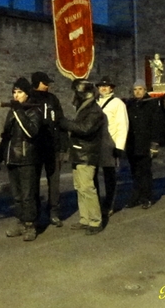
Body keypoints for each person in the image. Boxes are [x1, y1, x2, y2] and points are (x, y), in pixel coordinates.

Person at [0, 77, 42, 241]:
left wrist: (18, 111)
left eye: (20, 92)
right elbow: (7, 136)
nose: (16, 95)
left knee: (28, 195)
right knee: (17, 195)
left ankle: (30, 224)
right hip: (12, 157)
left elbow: (31, 132)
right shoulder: (12, 111)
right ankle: (21, 221)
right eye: (14, 92)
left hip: (27, 158)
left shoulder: (34, 110)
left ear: (27, 94)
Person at [59, 79, 105, 235]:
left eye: (77, 93)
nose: (74, 97)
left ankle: (95, 220)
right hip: (79, 152)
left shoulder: (94, 111)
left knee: (87, 188)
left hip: (87, 153)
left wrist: (64, 123)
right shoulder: (85, 108)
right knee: (80, 188)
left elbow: (85, 129)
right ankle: (85, 218)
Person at [30, 71, 68, 227]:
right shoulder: (31, 99)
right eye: (45, 83)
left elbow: (60, 120)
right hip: (36, 148)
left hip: (53, 147)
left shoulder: (53, 99)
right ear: (37, 83)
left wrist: (64, 144)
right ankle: (35, 213)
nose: (48, 85)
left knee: (54, 182)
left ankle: (53, 211)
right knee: (33, 182)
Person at [124, 79, 162, 208]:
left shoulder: (151, 104)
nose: (137, 92)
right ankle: (136, 196)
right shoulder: (130, 104)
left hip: (145, 143)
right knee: (134, 172)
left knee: (145, 171)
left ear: (145, 90)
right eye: (135, 89)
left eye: (140, 89)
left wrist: (154, 144)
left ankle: (147, 197)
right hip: (132, 144)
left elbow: (156, 125)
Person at [94, 76, 129, 216]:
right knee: (93, 175)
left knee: (110, 176)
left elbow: (122, 125)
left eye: (106, 86)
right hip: (96, 144)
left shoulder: (117, 103)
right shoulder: (95, 102)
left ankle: (109, 204)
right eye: (101, 86)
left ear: (111, 88)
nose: (103, 88)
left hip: (110, 143)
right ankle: (96, 203)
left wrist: (119, 146)